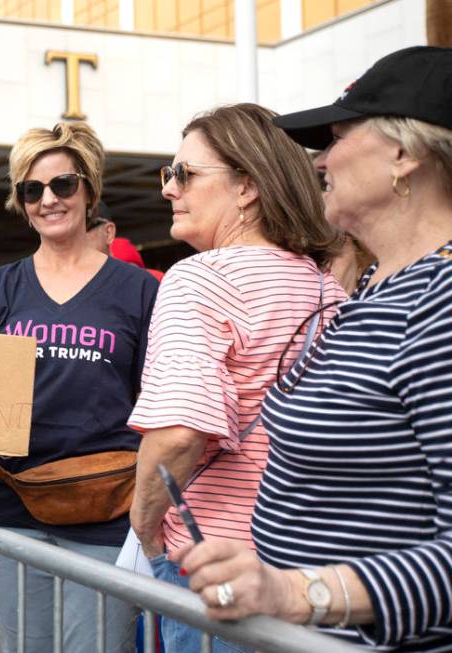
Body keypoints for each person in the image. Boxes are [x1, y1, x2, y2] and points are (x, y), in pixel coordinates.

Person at [174, 46, 452, 651]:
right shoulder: (376, 289)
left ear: (404, 155)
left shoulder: (440, 304)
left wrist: (303, 594)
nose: (319, 158)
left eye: (338, 136)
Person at [0, 122, 158, 652]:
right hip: (8, 509)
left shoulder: (140, 290)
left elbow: (156, 406)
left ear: (89, 189)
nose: (49, 200)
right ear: (20, 202)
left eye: (63, 185)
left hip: (107, 512)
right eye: (32, 189)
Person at [126, 103, 346, 652]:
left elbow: (179, 432)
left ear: (247, 186)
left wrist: (145, 526)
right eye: (167, 174)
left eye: (185, 173)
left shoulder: (198, 279)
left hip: (218, 565)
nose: (168, 190)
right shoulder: (330, 292)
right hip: (316, 570)